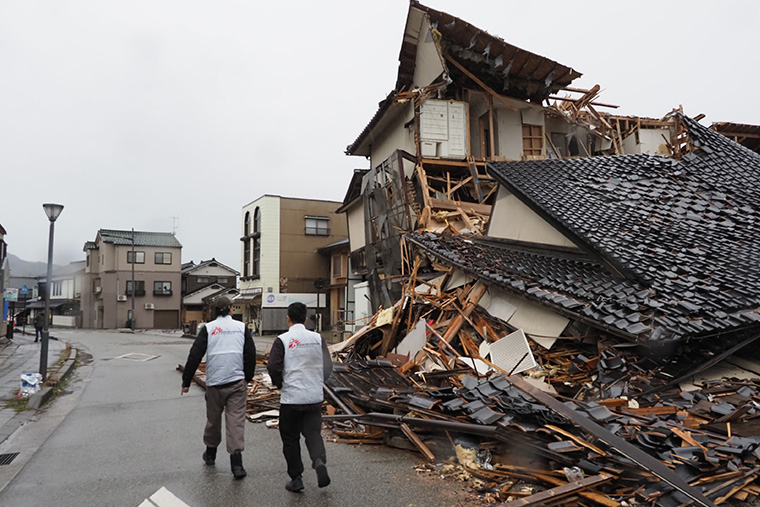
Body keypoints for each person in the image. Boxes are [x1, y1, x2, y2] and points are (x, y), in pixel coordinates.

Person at [181, 296, 256, 479]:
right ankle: (237, 464)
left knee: (213, 420)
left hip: (215, 383)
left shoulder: (209, 328)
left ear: (215, 310)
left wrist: (186, 381)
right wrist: (247, 377)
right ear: (230, 309)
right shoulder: (241, 327)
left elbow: (195, 355)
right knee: (235, 421)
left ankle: (210, 454)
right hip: (236, 381)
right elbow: (251, 354)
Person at [267, 302, 333, 493]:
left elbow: (273, 366)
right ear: (306, 318)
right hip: (313, 397)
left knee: (290, 438)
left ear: (288, 318)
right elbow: (328, 366)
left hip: (292, 399)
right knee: (313, 433)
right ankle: (319, 460)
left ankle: (296, 478)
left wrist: (281, 384)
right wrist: (316, 381)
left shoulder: (283, 340)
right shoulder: (317, 338)